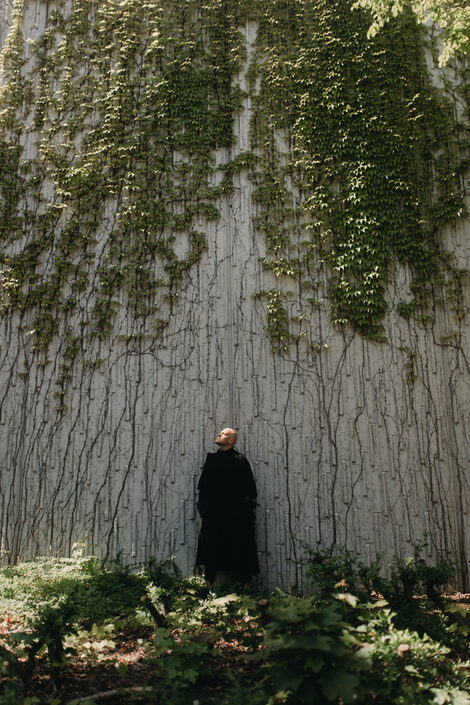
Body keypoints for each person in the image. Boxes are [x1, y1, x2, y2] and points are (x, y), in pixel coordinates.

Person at [196, 428, 259, 587]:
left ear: (231, 440)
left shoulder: (240, 459)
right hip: (213, 515)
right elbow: (203, 487)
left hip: (236, 516)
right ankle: (208, 589)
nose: (219, 434)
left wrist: (241, 509)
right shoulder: (211, 460)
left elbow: (249, 490)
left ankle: (245, 589)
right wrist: (204, 510)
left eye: (223, 434)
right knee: (211, 549)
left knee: (240, 548)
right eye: (219, 433)